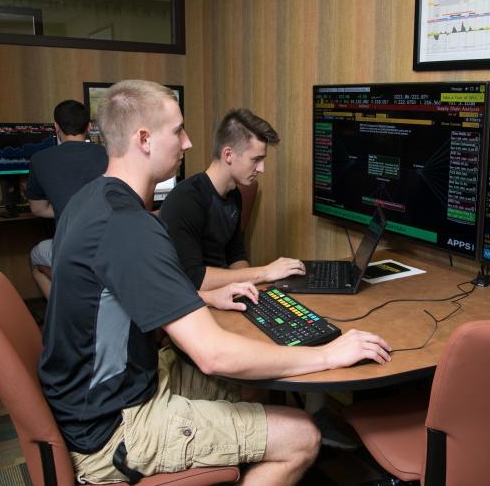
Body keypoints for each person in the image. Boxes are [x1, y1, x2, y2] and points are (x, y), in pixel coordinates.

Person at [38, 79, 391, 485]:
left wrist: (204, 296)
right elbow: (214, 355)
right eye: (178, 131)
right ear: (144, 139)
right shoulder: (130, 226)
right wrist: (329, 354)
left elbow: (117, 297)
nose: (187, 142)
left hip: (96, 398)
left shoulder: (90, 201)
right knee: (302, 436)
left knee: (252, 384)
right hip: (114, 427)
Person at [159, 109, 305, 290]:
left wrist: (249, 289)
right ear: (228, 155)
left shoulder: (234, 194)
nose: (261, 168)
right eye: (256, 159)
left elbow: (235, 255)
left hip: (223, 294)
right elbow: (194, 278)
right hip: (193, 301)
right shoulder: (186, 200)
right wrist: (264, 273)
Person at [24, 99, 108, 297]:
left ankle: (59, 317)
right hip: (107, 249)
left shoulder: (40, 159)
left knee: (36, 256)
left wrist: (66, 206)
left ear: (56, 127)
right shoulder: (109, 155)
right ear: (88, 126)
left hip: (70, 250)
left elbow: (37, 209)